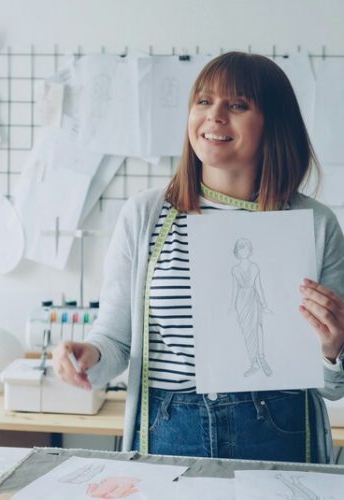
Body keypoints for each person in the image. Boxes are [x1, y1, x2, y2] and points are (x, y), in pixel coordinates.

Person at [52, 52, 344, 464]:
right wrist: (87, 357)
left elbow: (334, 386)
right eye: (204, 101)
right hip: (169, 428)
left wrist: (333, 348)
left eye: (237, 105)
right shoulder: (144, 215)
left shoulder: (314, 224)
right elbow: (115, 342)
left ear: (273, 123)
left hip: (279, 430)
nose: (214, 116)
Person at [230, 237, 273, 377]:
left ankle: (262, 358)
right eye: (241, 249)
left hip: (253, 299)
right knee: (247, 332)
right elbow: (234, 289)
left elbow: (259, 286)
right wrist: (231, 306)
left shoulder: (254, 266)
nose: (244, 252)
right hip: (241, 302)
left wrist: (264, 305)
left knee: (257, 329)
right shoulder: (235, 269)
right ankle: (253, 363)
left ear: (250, 250)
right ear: (237, 252)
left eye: (246, 249)